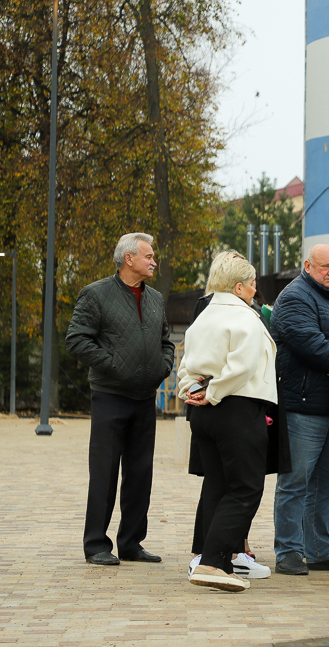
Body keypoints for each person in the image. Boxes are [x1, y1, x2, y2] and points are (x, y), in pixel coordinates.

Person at [66, 232, 174, 566]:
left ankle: (131, 543)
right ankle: (96, 544)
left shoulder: (155, 297)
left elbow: (166, 341)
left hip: (145, 398)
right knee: (104, 473)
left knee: (141, 474)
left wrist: (163, 366)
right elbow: (77, 340)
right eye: (148, 256)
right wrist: (114, 365)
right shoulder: (95, 294)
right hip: (110, 396)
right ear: (129, 259)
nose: (153, 261)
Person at [177, 254, 278, 592]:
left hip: (204, 413)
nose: (255, 289)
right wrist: (216, 391)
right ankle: (211, 560)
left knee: (219, 486)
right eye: (252, 283)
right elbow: (244, 366)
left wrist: (193, 391)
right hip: (237, 409)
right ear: (239, 287)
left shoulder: (202, 318)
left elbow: (186, 365)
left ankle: (216, 564)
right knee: (246, 488)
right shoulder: (245, 318)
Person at [271, 244, 329, 576]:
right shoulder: (295, 297)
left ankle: (321, 549)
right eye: (325, 266)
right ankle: (288, 550)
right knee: (295, 482)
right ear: (308, 266)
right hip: (304, 405)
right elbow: (310, 344)